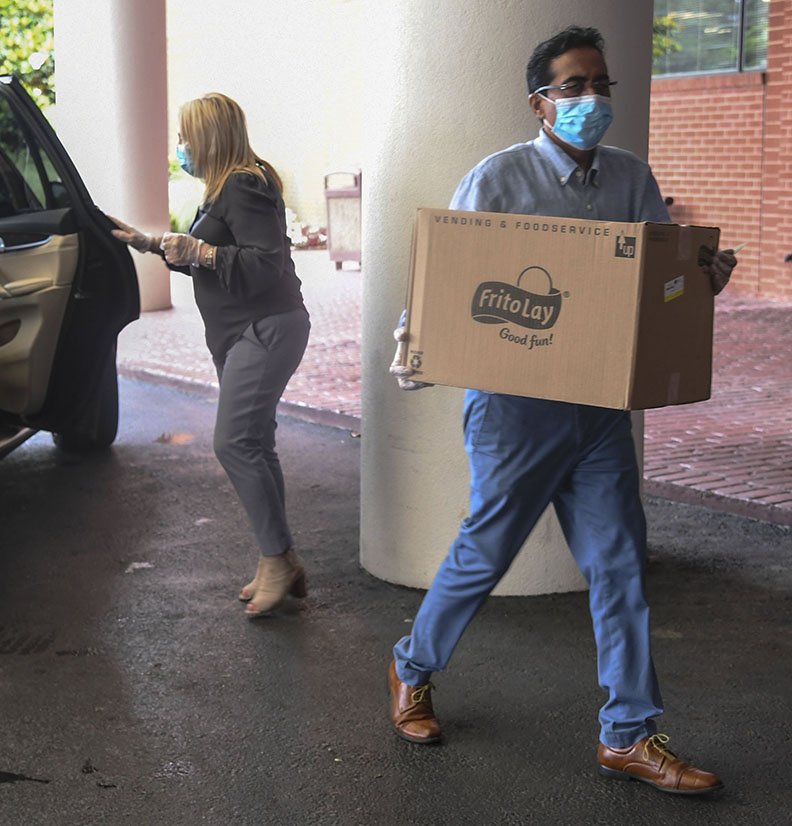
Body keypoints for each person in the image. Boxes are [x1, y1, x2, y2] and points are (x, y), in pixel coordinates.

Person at [387, 26, 737, 796]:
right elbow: (447, 280)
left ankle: (630, 733)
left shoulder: (629, 180)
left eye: (600, 86)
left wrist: (698, 277)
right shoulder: (498, 180)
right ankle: (412, 668)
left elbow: (660, 290)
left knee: (619, 566)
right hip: (516, 414)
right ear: (539, 103)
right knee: (484, 557)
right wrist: (419, 344)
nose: (590, 100)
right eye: (573, 87)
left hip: (600, 413)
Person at [112, 93, 311, 619]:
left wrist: (200, 251)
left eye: (185, 137)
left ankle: (275, 559)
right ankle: (282, 558)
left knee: (234, 442)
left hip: (262, 328)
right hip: (247, 330)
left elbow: (264, 263)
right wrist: (154, 244)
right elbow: (212, 257)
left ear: (209, 137)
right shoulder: (224, 188)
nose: (180, 147)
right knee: (256, 442)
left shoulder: (242, 184)